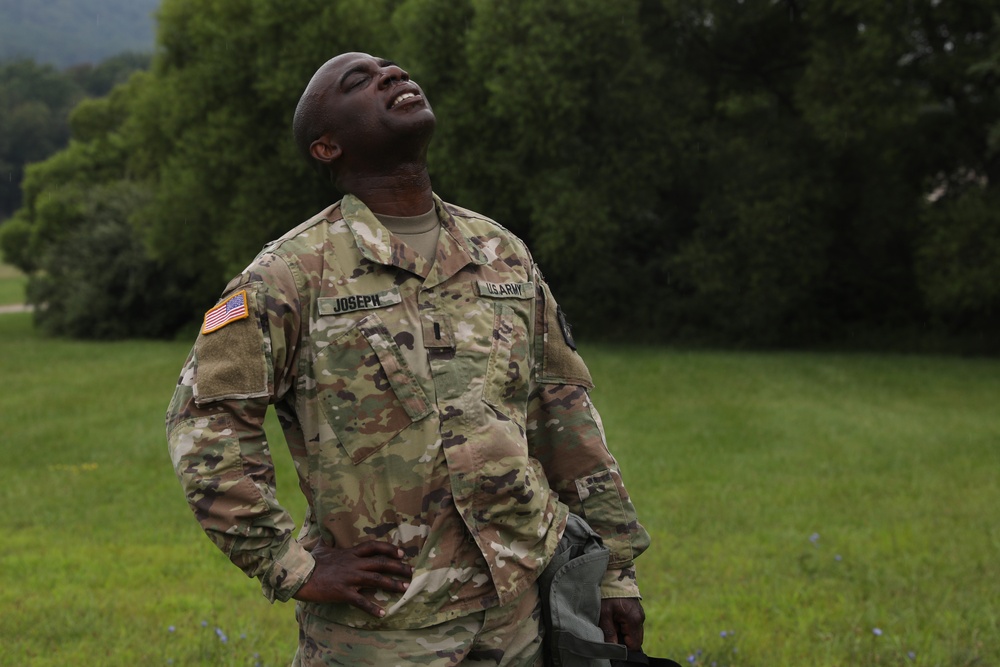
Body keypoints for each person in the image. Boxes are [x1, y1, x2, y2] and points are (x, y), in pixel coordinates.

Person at [166, 52, 650, 666]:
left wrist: (613, 572)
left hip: (524, 609)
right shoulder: (289, 274)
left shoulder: (501, 252)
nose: (391, 77)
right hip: (385, 626)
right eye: (359, 81)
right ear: (326, 147)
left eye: (392, 69)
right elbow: (206, 425)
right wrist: (287, 563)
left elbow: (564, 412)